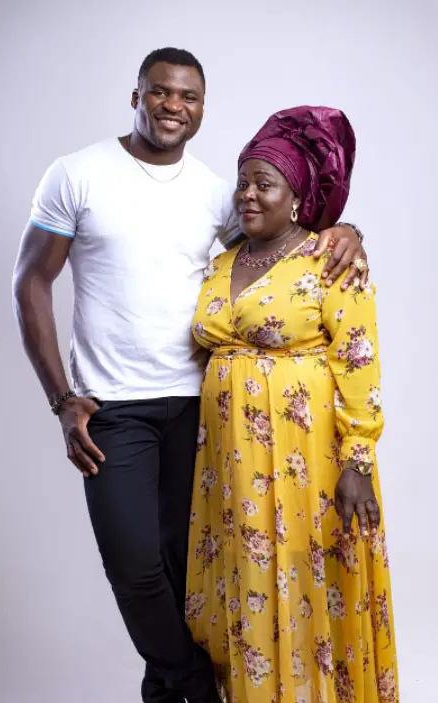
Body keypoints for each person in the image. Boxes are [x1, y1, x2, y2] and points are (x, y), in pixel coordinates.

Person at [12, 46, 368, 703]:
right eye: (161, 92)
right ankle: (190, 680)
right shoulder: (77, 173)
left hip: (202, 409)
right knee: (135, 565)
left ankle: (163, 686)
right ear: (136, 95)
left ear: (203, 106)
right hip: (110, 407)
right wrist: (61, 398)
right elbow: (31, 279)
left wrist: (347, 227)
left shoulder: (215, 191)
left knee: (189, 572)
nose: (174, 105)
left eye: (189, 96)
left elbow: (284, 236)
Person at [186, 106, 398, 703]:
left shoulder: (331, 260)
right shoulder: (222, 258)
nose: (249, 195)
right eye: (243, 182)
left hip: (309, 460)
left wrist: (358, 462)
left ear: (298, 196)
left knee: (308, 582)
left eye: (265, 184)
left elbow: (359, 360)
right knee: (247, 582)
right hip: (230, 466)